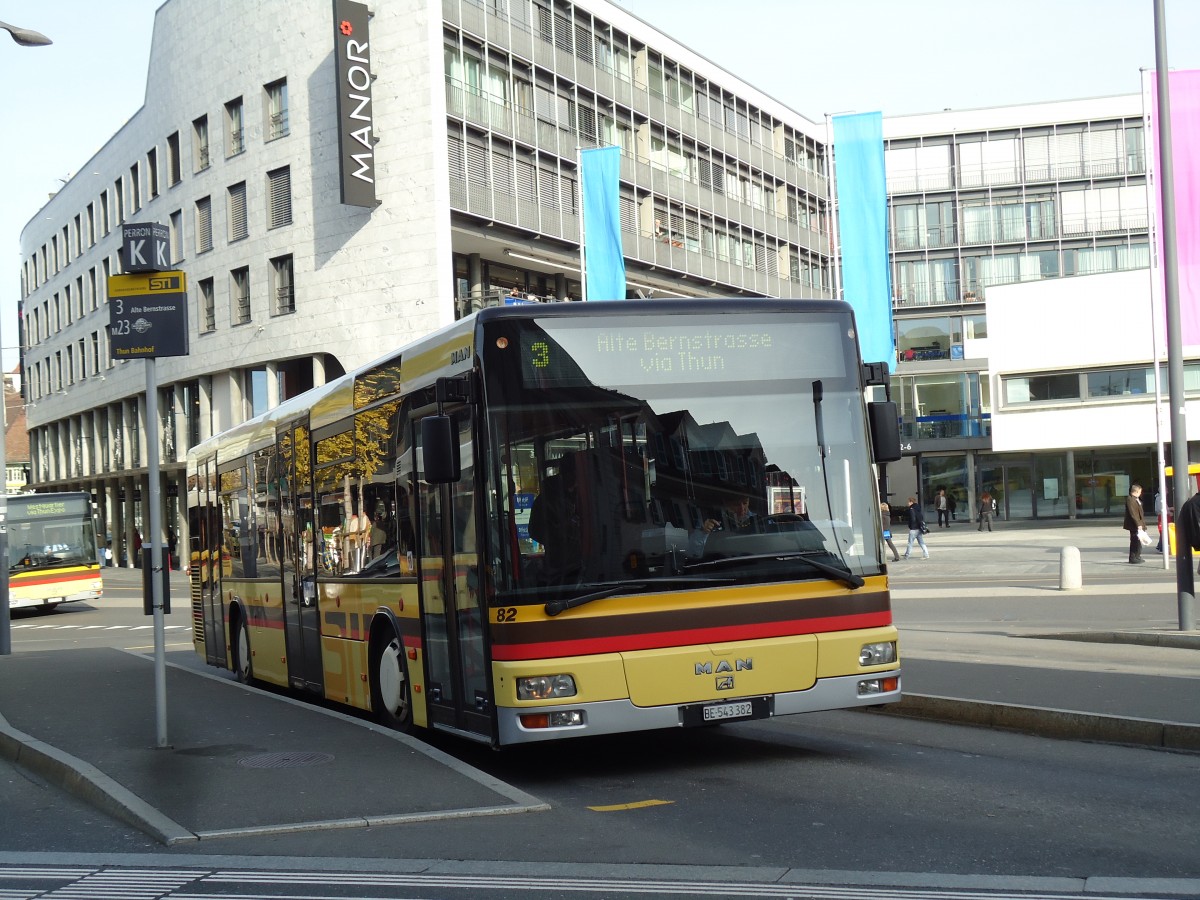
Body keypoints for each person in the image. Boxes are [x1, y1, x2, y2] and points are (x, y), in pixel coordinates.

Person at [1123, 483, 1146, 564]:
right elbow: (1133, 513)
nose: (1140, 494)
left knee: (1138, 541)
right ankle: (1133, 557)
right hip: (1134, 525)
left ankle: (1137, 556)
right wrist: (1138, 524)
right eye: (1140, 492)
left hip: (1139, 524)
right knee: (1134, 541)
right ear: (1136, 492)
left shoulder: (1136, 499)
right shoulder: (1130, 499)